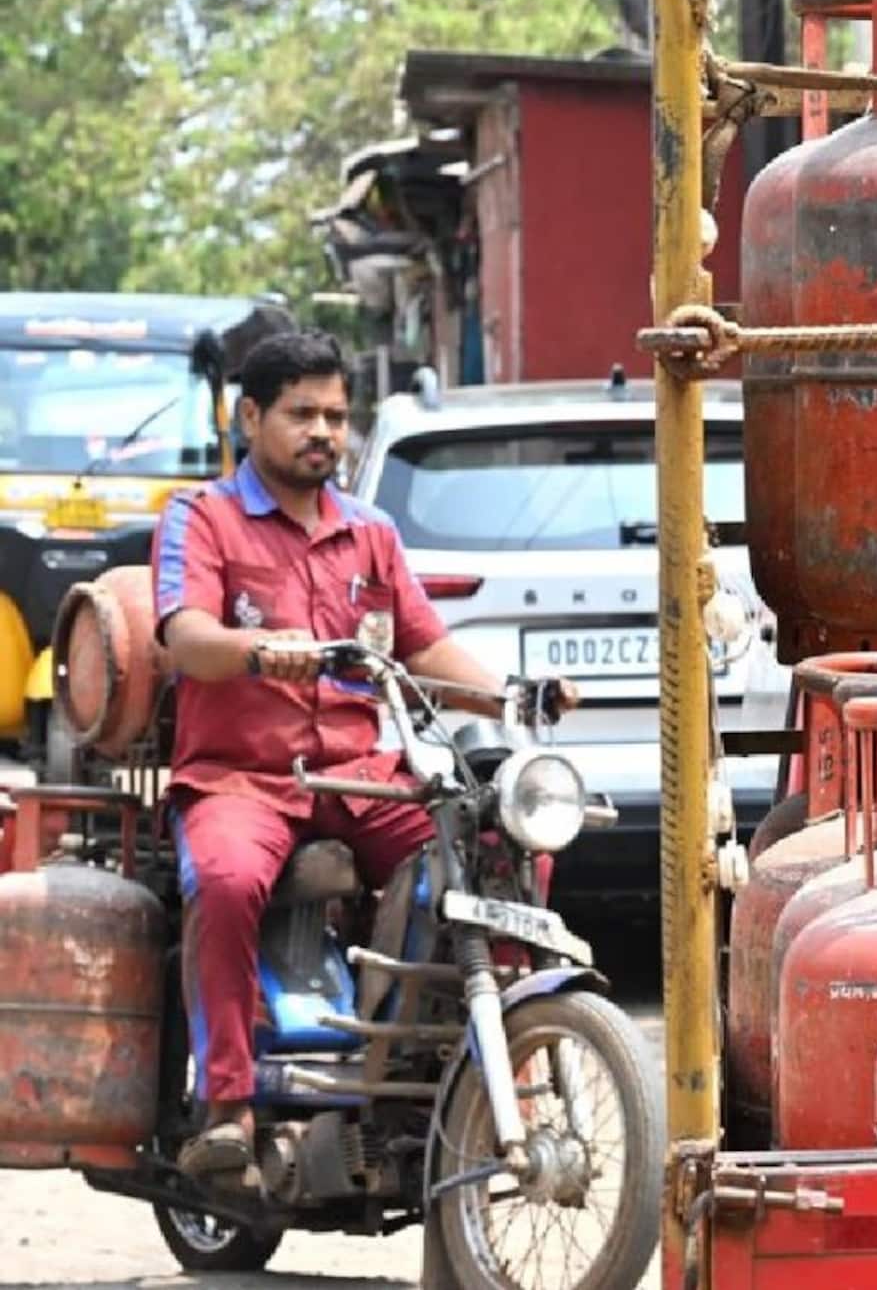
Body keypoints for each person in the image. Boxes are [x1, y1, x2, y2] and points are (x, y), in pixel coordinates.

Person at [150, 329, 578, 1179]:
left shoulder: (372, 532)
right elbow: (184, 638)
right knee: (229, 882)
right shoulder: (202, 518)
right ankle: (228, 1104)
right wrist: (255, 647)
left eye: (337, 417)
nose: (325, 433)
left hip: (360, 774)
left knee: (494, 848)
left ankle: (468, 1068)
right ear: (250, 416)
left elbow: (423, 648)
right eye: (302, 413)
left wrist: (511, 695)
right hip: (242, 777)